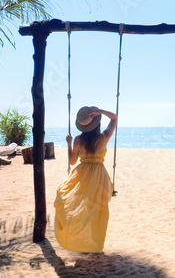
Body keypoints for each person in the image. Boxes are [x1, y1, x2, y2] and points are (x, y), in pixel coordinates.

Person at [54, 106, 117, 253]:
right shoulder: (104, 137)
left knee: (74, 204)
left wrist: (69, 143)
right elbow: (114, 118)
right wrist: (100, 112)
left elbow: (72, 161)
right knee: (96, 211)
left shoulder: (78, 140)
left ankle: (80, 241)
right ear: (97, 122)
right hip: (99, 176)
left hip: (82, 175)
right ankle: (92, 243)